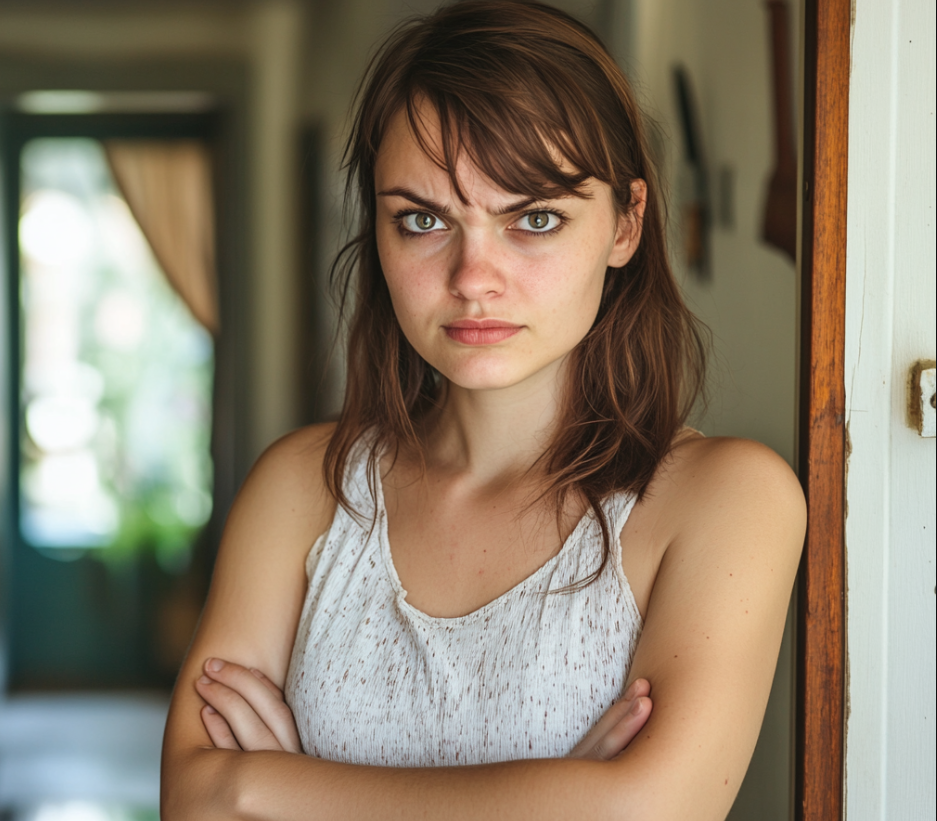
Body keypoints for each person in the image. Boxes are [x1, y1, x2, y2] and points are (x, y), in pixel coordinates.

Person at [160, 1, 806, 818]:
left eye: (533, 218)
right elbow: (197, 799)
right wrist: (558, 796)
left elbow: (644, 811)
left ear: (625, 223)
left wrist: (269, 787)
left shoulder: (724, 499)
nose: (473, 276)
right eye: (422, 219)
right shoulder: (301, 489)